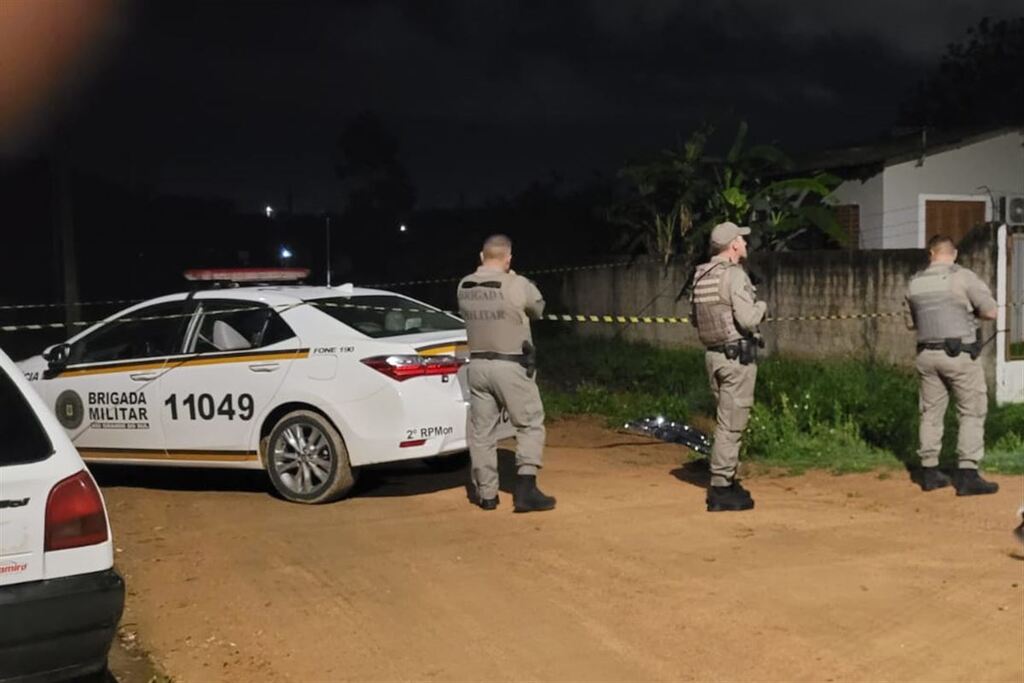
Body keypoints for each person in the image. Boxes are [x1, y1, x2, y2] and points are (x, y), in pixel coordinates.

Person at [457, 234, 555, 513]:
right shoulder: (517, 284)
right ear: (509, 258)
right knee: (530, 423)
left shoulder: (463, 285)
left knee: (482, 431)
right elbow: (538, 309)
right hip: (511, 365)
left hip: (477, 367)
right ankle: (526, 490)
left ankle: (487, 495)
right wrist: (516, 279)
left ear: (481, 256)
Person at [906, 235, 999, 496]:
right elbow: (991, 311)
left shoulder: (914, 282)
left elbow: (911, 323)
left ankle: (929, 472)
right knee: (971, 411)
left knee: (931, 413)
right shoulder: (963, 277)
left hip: (926, 356)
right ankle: (968, 474)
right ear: (954, 253)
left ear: (931, 254)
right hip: (959, 356)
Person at [690, 221, 766, 512]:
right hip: (736, 360)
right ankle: (722, 487)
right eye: (742, 240)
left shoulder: (701, 275)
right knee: (731, 426)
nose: (746, 244)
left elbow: (695, 319)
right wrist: (763, 307)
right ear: (733, 245)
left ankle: (727, 478)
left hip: (714, 357)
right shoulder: (734, 275)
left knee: (725, 422)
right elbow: (747, 319)